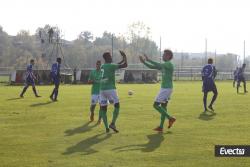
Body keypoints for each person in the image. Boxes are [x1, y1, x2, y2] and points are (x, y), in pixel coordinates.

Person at [139, 49, 176, 132]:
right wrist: (144, 62)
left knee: (155, 105)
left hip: (166, 89)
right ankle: (161, 127)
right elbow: (152, 66)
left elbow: (157, 64)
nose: (162, 56)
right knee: (163, 107)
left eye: (164, 55)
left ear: (168, 56)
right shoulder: (164, 65)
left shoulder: (169, 64)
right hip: (167, 88)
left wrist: (148, 60)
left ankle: (170, 118)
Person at [100, 51, 127, 133]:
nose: (112, 57)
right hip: (111, 89)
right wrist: (125, 56)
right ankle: (113, 123)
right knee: (117, 105)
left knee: (103, 108)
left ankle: (106, 127)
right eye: (110, 56)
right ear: (108, 58)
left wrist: (122, 59)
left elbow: (116, 65)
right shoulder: (112, 65)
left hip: (102, 90)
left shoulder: (103, 66)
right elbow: (125, 65)